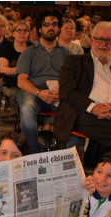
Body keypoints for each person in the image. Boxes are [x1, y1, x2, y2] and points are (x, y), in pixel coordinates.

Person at [53, 21, 111, 160]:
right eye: (99, 39)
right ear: (91, 40)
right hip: (82, 112)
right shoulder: (75, 62)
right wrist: (93, 108)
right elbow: (67, 92)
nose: (103, 44)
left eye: (108, 40)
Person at [15, 8, 68, 153]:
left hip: (59, 95)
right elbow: (21, 81)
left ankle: (63, 153)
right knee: (27, 108)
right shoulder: (29, 52)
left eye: (54, 24)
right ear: (39, 29)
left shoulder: (67, 53)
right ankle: (34, 153)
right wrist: (40, 93)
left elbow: (72, 81)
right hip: (34, 93)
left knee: (75, 108)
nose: (51, 27)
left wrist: (61, 92)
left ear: (58, 28)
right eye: (46, 24)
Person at [0, 20, 30, 116]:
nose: (22, 33)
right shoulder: (6, 48)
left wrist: (14, 70)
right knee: (17, 93)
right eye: (19, 30)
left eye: (25, 30)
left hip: (29, 83)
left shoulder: (32, 49)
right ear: (13, 33)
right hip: (10, 83)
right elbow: (3, 69)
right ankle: (19, 117)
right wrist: (24, 70)